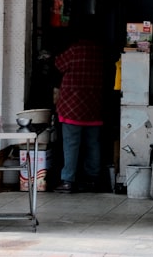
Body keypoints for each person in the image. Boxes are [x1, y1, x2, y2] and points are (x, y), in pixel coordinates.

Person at [53, 20, 106, 193]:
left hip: (72, 106)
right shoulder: (100, 52)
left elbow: (58, 65)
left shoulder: (74, 50)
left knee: (71, 144)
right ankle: (93, 180)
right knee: (93, 144)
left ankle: (68, 181)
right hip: (93, 106)